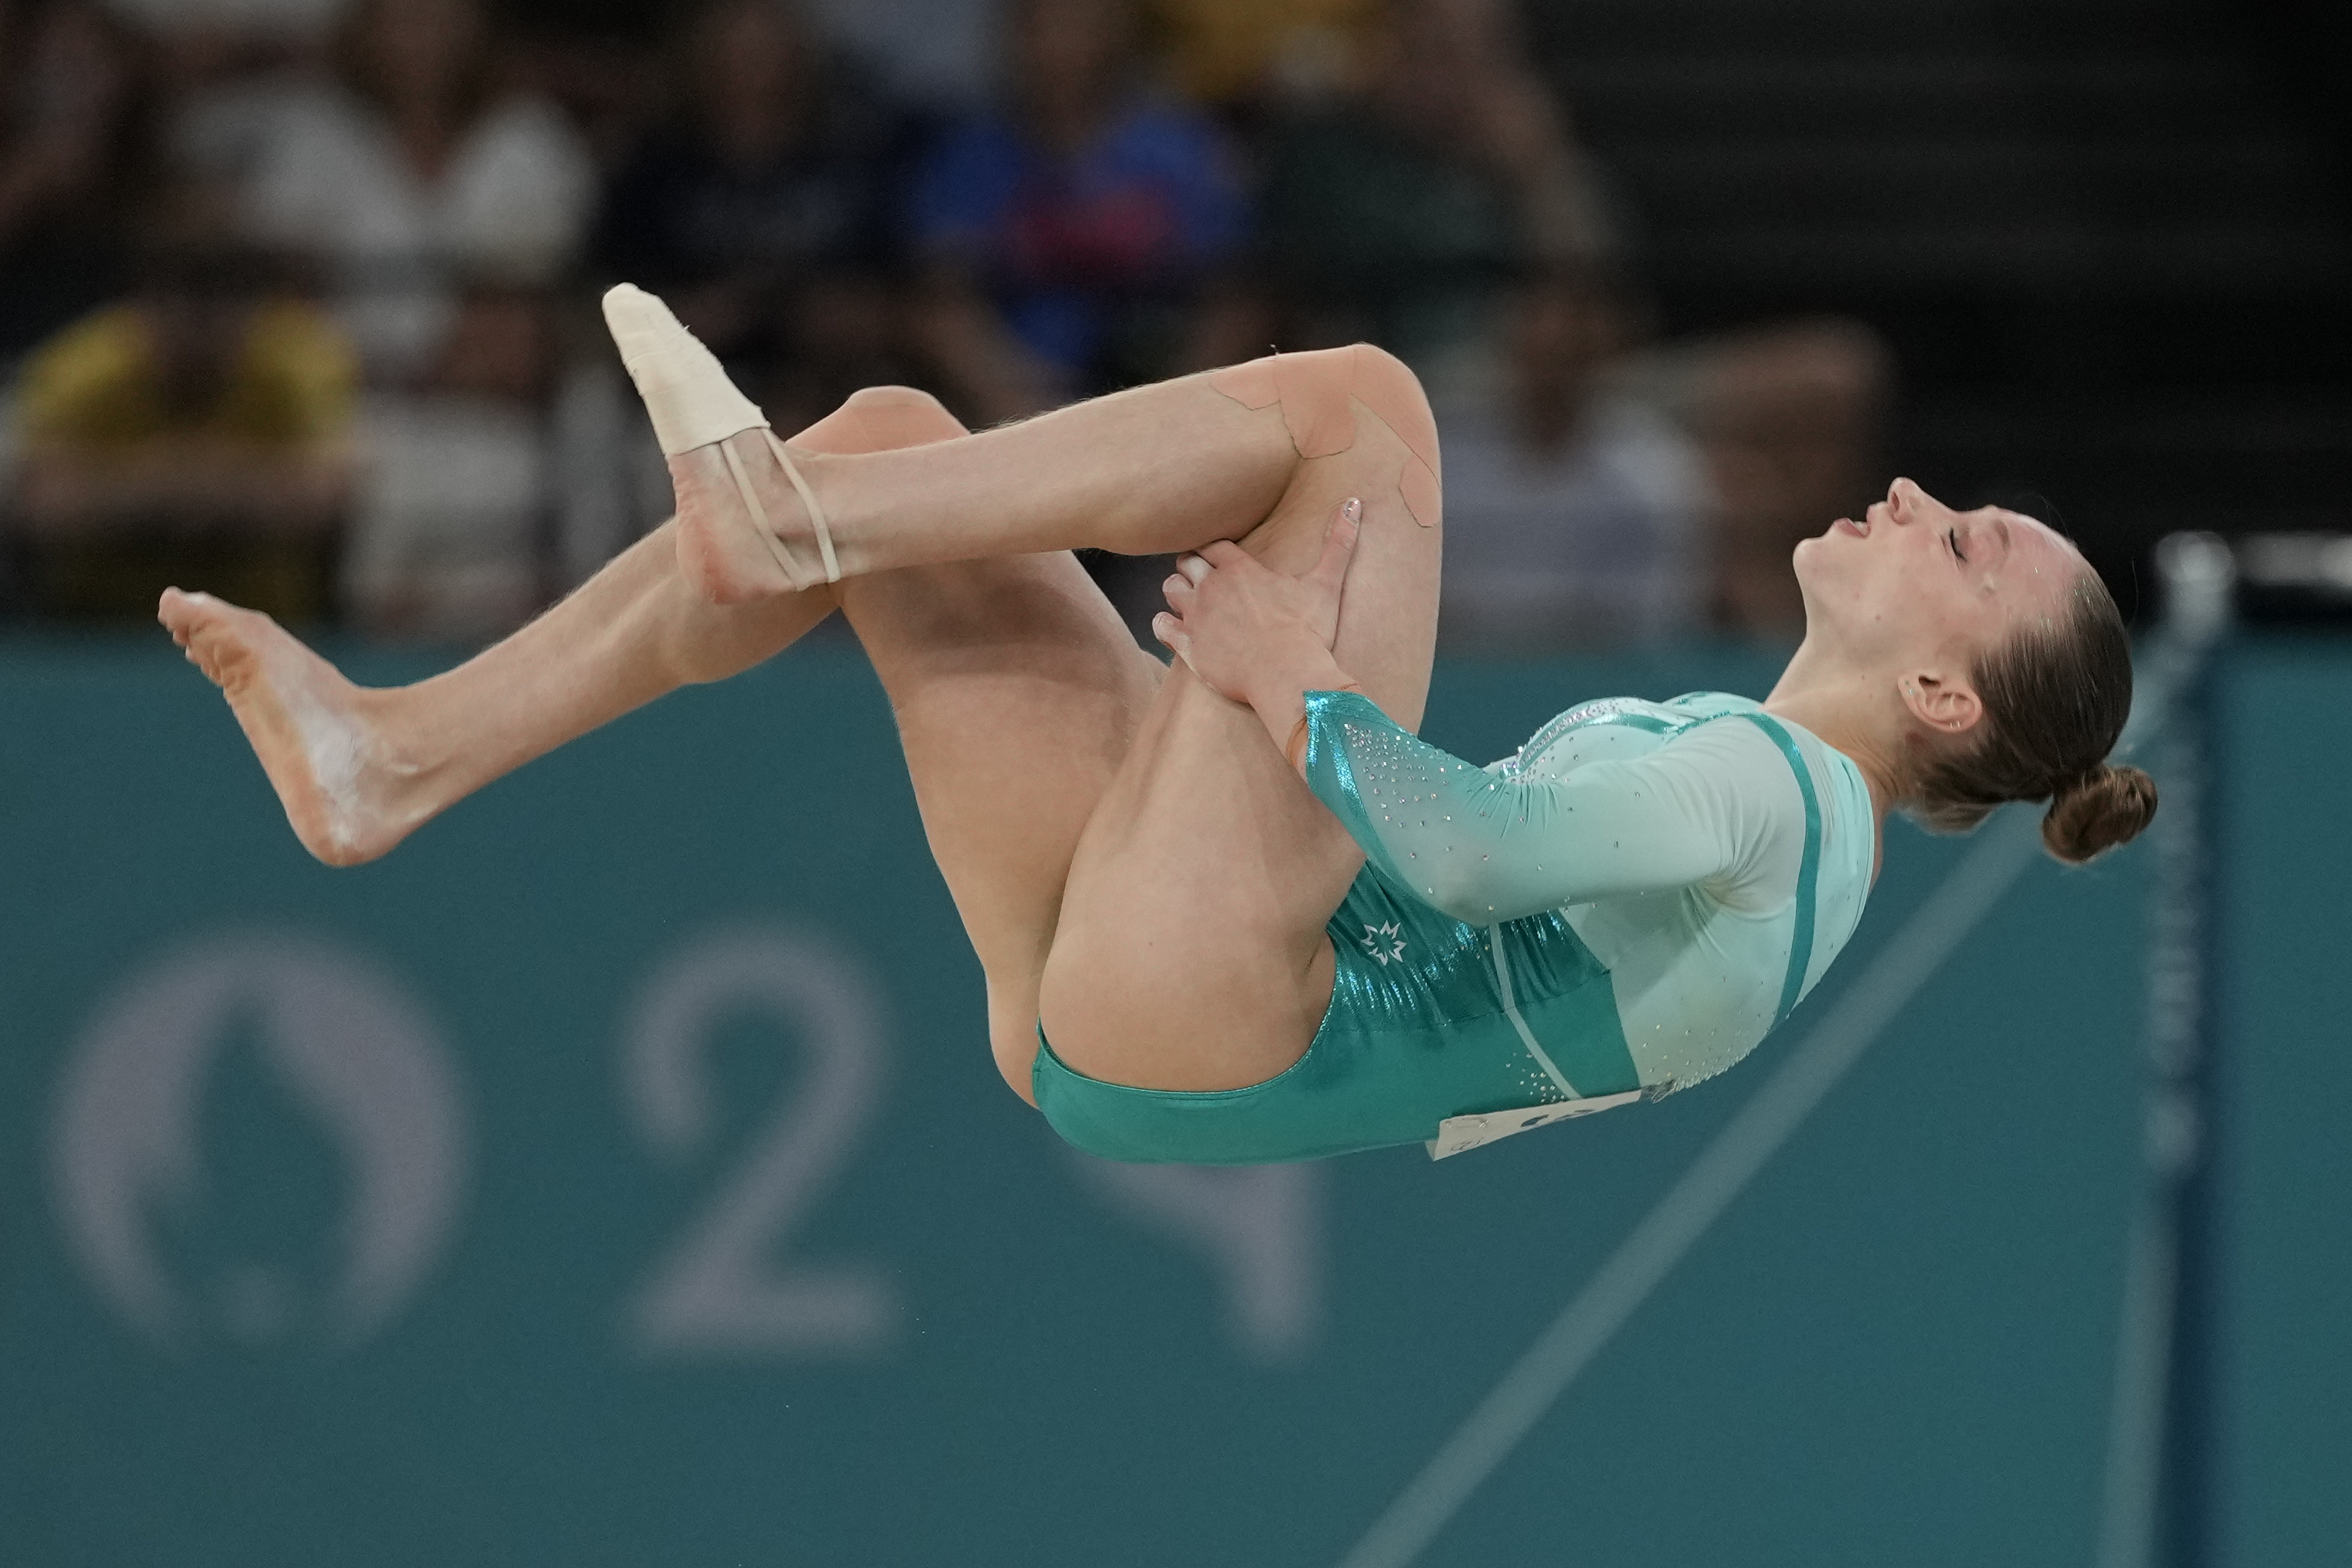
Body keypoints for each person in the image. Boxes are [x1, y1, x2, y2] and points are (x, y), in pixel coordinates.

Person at [156, 285, 2156, 1164]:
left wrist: (1303, 699)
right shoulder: (1768, 805)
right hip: (1133, 1037)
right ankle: (392, 754)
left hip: (1221, 1001)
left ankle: (784, 524)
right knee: (893, 444)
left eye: (1965, 539)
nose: (1916, 499)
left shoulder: (1780, 788)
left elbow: (1462, 855)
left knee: (1364, 407)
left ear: (1936, 694)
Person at [13, 185, 356, 621]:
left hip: (265, 630)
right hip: (102, 631)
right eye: (183, 296)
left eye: (221, 296)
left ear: (252, 302)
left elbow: (326, 499)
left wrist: (135, 487)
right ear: (144, 297)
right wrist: (219, 481)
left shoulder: (302, 364)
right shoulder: (80, 370)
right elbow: (42, 504)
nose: (200, 326)